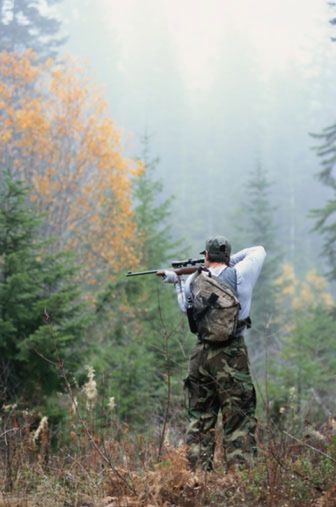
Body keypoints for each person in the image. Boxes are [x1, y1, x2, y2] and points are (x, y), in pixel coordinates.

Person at [161, 235, 266, 472]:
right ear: (227, 257)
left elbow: (184, 308)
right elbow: (258, 250)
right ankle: (241, 481)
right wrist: (228, 261)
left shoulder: (193, 280)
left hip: (201, 354)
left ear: (206, 256)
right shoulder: (240, 274)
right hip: (232, 353)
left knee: (199, 419)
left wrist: (178, 280)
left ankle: (198, 481)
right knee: (238, 417)